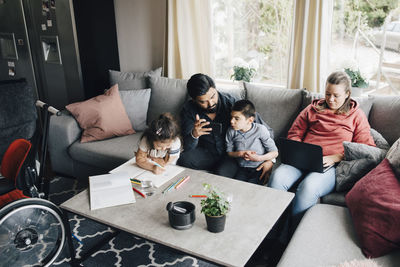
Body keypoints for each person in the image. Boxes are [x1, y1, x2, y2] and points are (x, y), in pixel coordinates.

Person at [268, 71, 376, 217]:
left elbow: (365, 149)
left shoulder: (357, 116)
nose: (330, 99)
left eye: (336, 95)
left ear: (347, 94)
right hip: (302, 159)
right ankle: (272, 231)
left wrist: (337, 157)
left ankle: (293, 235)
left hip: (330, 165)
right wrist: (298, 151)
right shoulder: (312, 109)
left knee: (308, 187)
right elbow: (295, 133)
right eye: (327, 94)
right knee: (277, 178)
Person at [177, 73, 275, 179]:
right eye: (203, 102)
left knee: (221, 174)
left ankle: (223, 170)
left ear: (215, 89)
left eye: (213, 96)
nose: (210, 103)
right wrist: (194, 134)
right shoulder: (188, 110)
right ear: (194, 100)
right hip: (207, 152)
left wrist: (269, 160)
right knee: (183, 159)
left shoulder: (231, 103)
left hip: (232, 154)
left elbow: (267, 131)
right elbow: (188, 146)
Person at [226, 100, 278, 184]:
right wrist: (240, 154)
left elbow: (275, 152)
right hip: (242, 168)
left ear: (250, 120)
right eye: (231, 117)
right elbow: (229, 152)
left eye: (236, 118)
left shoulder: (260, 130)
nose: (231, 121)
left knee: (253, 189)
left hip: (259, 167)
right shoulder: (231, 131)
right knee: (236, 187)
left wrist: (259, 158)